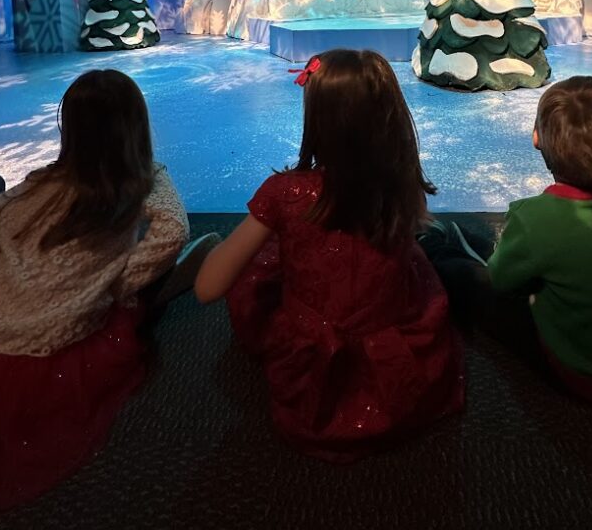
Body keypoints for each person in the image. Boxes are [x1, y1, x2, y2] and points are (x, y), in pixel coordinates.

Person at [0, 69, 201, 528]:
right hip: (57, 355)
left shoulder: (37, 184)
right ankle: (154, 292)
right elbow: (172, 230)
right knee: (130, 305)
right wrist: (113, 284)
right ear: (137, 127)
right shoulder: (142, 179)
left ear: (69, 129)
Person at [195, 49, 465, 462]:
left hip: (311, 363)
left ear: (317, 119)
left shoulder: (285, 194)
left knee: (261, 269)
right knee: (422, 258)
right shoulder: (400, 185)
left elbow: (207, 287)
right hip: (392, 350)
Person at [420, 75, 592, 407]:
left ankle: (429, 250)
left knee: (470, 280)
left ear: (537, 139)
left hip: (590, 378)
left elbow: (499, 281)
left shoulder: (536, 218)